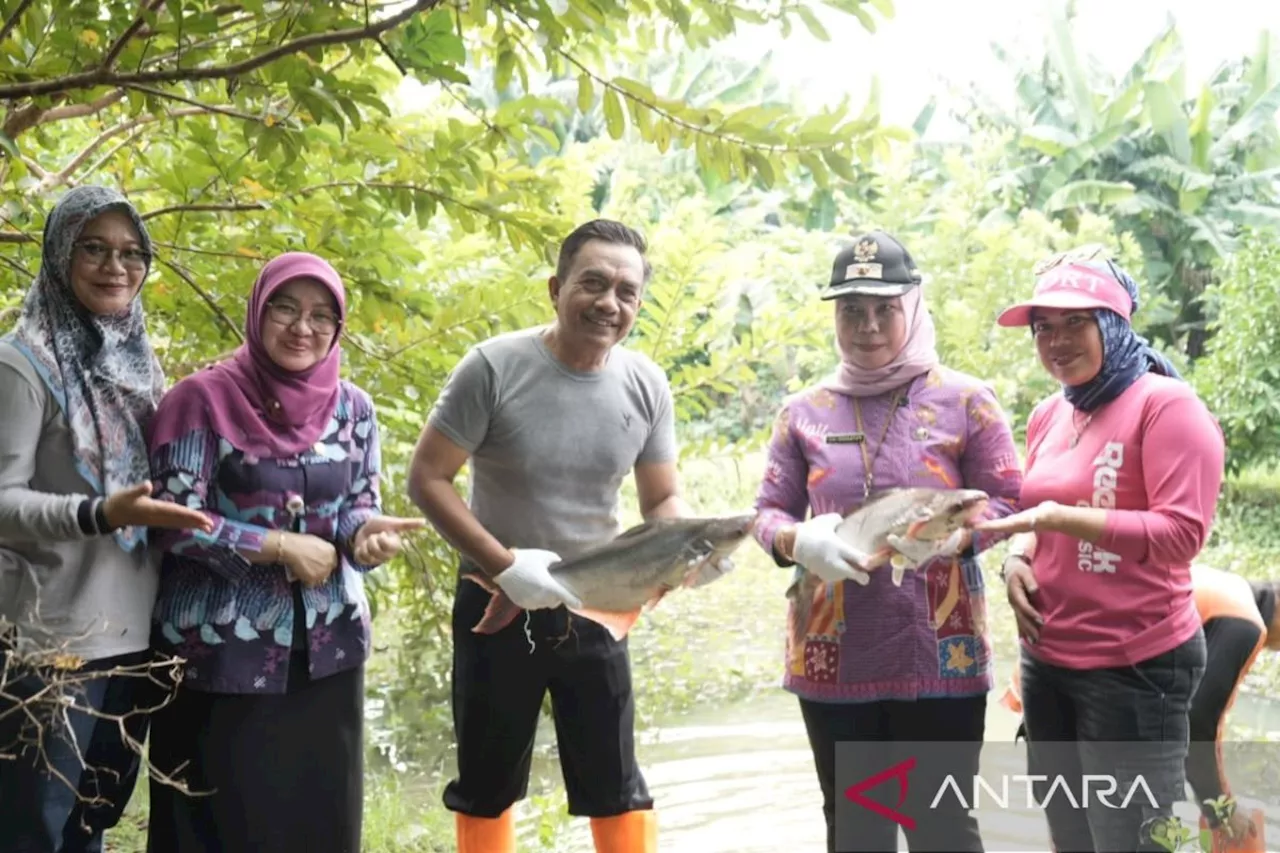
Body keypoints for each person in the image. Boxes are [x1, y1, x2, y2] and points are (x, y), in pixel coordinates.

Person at [408, 219, 731, 853]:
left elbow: (661, 498)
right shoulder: (493, 367)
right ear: (555, 288)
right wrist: (505, 567)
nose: (609, 303)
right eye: (593, 283)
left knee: (616, 779)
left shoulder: (647, 384)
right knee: (487, 778)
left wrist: (688, 552)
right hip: (493, 598)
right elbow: (428, 480)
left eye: (627, 291)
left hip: (598, 601)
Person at [141, 251, 423, 853]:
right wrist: (272, 546)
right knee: (221, 827)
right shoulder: (201, 401)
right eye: (286, 309)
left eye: (322, 315)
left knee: (318, 824)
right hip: (219, 656)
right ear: (257, 311)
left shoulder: (354, 408)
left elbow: (355, 508)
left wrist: (365, 537)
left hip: (327, 651)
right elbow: (169, 522)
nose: (304, 327)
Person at [751, 230, 1023, 853]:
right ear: (834, 315)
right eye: (851, 309)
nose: (868, 325)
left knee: (943, 827)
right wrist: (796, 541)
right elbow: (766, 512)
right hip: (832, 649)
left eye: (884, 308)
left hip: (940, 650)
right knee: (856, 829)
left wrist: (954, 542)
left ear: (913, 307)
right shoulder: (803, 411)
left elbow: (1009, 500)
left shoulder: (967, 401)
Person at [976, 245, 1225, 852]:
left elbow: (1181, 536)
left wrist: (1069, 518)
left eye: (1075, 323)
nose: (1056, 341)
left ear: (1113, 324)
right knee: (1071, 835)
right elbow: (1035, 514)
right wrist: (1015, 558)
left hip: (1134, 665)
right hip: (1048, 660)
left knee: (1134, 839)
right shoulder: (1047, 415)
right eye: (1043, 328)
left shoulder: (1166, 407)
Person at [0, 185, 213, 853]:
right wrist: (97, 511)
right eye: (93, 248)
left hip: (134, 641)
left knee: (91, 822)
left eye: (130, 252)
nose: (114, 266)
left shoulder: (138, 364)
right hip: (50, 643)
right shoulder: (21, 362)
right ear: (60, 252)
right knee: (33, 829)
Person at [999, 564, 1277, 852]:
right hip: (1098, 705)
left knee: (1074, 835)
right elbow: (1198, 726)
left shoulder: (1216, 587)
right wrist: (1222, 811)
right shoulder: (1244, 620)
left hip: (1045, 687)